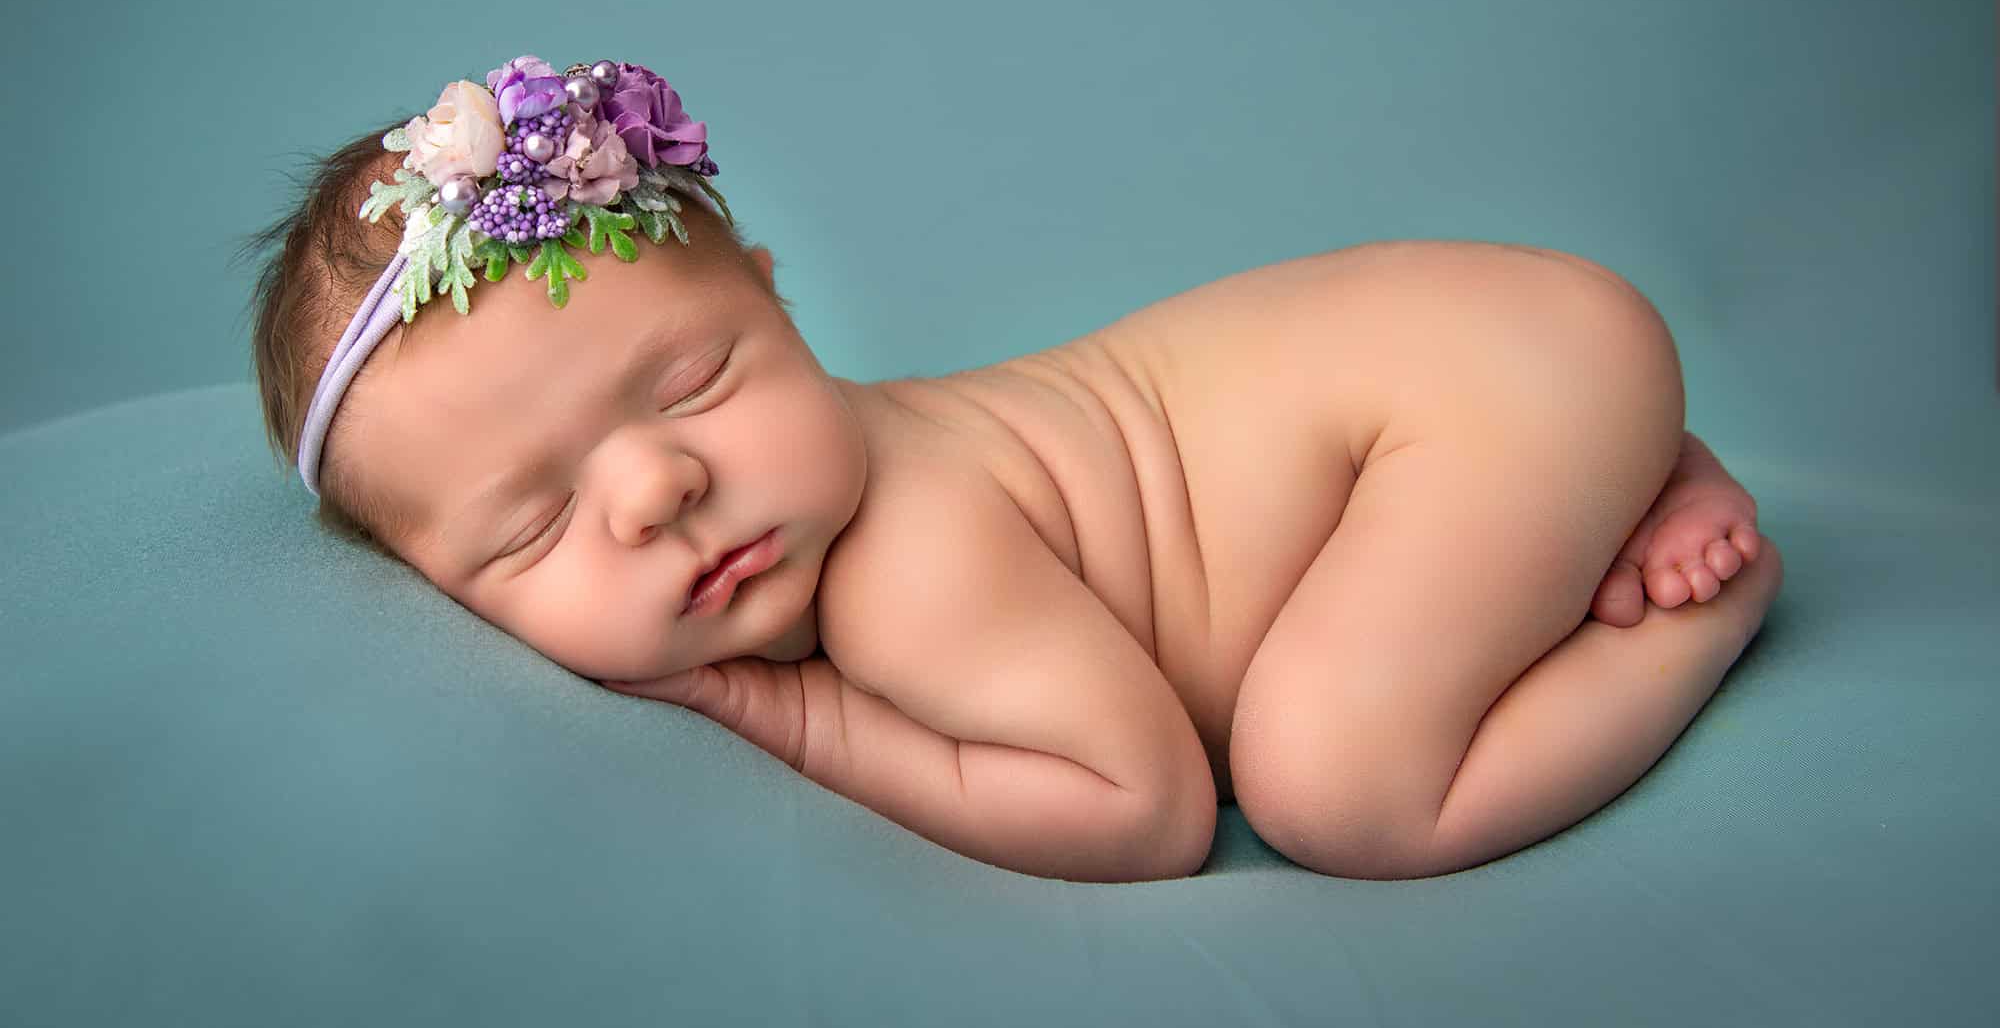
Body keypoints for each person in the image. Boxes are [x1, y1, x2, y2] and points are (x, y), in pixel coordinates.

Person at [241, 52, 1782, 884]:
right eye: (536, 525)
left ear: (778, 302)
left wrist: (794, 710)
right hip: (1486, 360)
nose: (653, 494)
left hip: (1485, 388)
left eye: (701, 384)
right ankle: (1608, 479)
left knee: (1340, 790)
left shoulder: (909, 567)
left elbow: (1144, 809)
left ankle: (1703, 595)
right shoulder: (838, 493)